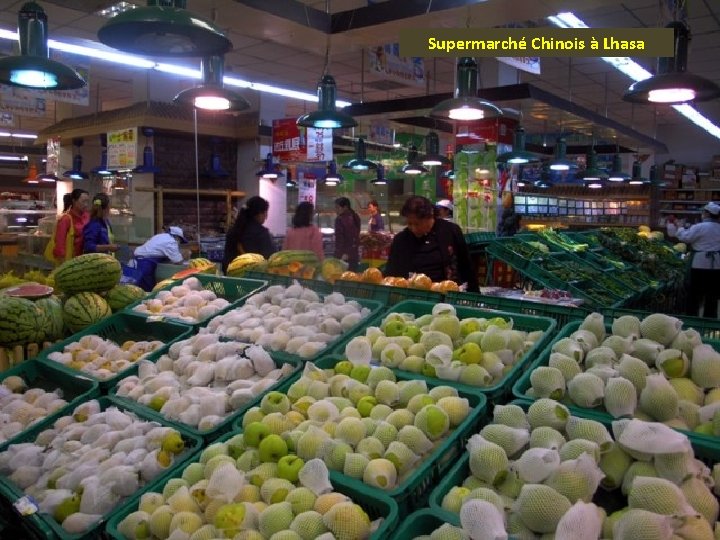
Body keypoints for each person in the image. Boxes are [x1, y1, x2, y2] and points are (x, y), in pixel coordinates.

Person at [386, 195, 479, 292]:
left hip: (448, 294)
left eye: (417, 224)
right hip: (412, 297)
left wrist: (475, 295)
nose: (413, 229)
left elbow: (466, 266)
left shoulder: (451, 231)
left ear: (430, 217)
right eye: (409, 224)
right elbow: (391, 274)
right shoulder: (401, 240)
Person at [677, 202, 720, 318]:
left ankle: (692, 318)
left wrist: (680, 228)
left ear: (707, 213)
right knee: (712, 295)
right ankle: (710, 320)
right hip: (716, 265)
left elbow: (685, 238)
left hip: (699, 265)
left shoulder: (700, 227)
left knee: (694, 294)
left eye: (703, 212)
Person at [222, 196, 275, 273]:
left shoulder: (232, 231)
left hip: (231, 277)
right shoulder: (261, 233)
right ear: (259, 214)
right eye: (265, 213)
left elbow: (226, 261)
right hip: (254, 279)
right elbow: (270, 260)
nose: (266, 217)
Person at [133, 226, 187, 291]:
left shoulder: (159, 236)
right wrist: (185, 255)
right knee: (146, 286)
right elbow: (178, 261)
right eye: (180, 241)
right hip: (145, 262)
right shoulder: (171, 242)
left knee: (143, 284)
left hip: (140, 259)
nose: (179, 243)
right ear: (178, 237)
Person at [51, 188, 90, 263]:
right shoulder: (66, 219)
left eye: (87, 201)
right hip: (72, 260)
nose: (86, 205)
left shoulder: (88, 216)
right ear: (74, 201)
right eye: (83, 201)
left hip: (87, 259)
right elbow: (60, 243)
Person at [334, 197, 361, 271]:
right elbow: (356, 236)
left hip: (343, 256)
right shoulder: (356, 217)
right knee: (352, 278)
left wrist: (339, 255)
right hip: (354, 256)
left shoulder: (339, 219)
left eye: (337, 207)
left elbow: (339, 239)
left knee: (341, 279)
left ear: (345, 207)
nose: (336, 210)